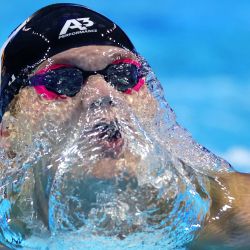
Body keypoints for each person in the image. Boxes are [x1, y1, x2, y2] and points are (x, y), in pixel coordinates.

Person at [0, 3, 249, 249]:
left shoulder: (222, 209)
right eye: (62, 80)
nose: (103, 94)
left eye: (123, 74)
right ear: (7, 131)